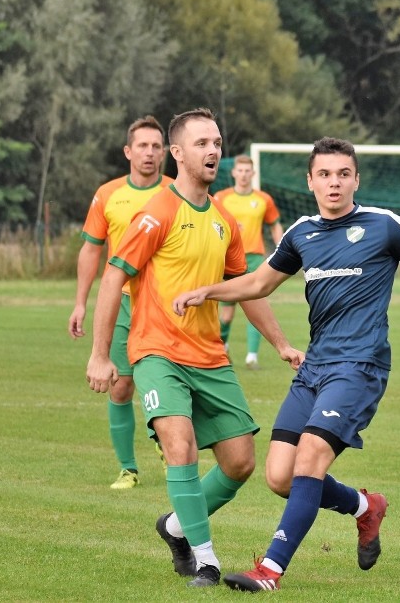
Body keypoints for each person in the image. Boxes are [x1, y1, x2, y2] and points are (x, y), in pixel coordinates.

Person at [172, 136, 400, 593]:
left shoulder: (384, 226)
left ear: (356, 179)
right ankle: (366, 507)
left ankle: (271, 571)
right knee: (280, 477)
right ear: (310, 181)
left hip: (359, 367)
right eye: (324, 174)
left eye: (343, 174)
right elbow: (259, 283)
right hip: (315, 367)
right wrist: (208, 290)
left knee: (311, 458)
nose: (334, 183)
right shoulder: (301, 232)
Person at [85, 108, 304, 588]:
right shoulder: (156, 213)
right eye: (202, 143)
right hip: (156, 351)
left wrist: (283, 344)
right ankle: (204, 560)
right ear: (177, 153)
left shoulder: (224, 219)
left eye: (218, 143)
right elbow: (113, 277)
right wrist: (101, 354)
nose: (213, 151)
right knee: (180, 446)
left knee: (241, 461)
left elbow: (244, 288)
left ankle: (177, 526)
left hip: (210, 357)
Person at [68, 115, 172, 490]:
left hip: (164, 305)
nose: (149, 152)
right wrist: (80, 303)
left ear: (165, 152)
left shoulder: (177, 191)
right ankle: (128, 468)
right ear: (128, 151)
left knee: (165, 382)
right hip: (124, 302)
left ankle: (170, 449)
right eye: (142, 146)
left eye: (155, 146)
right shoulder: (108, 194)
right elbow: (91, 250)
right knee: (121, 386)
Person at [214, 155, 284, 369]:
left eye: (247, 171)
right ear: (234, 173)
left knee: (257, 305)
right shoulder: (221, 197)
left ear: (253, 174)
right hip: (228, 259)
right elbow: (212, 222)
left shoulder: (264, 199)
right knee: (226, 313)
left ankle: (252, 356)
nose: (244, 175)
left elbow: (275, 225)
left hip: (254, 258)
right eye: (240, 170)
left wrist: (282, 248)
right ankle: (222, 346)